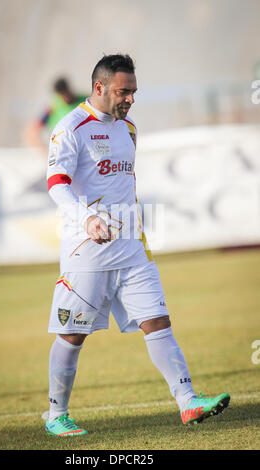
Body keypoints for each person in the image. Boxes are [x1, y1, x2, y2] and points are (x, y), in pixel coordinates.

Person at [45, 54, 230, 437]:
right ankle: (55, 414)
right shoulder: (71, 128)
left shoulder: (128, 128)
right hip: (87, 251)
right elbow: (57, 183)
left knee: (158, 321)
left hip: (132, 247)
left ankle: (188, 401)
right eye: (122, 91)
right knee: (73, 335)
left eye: (133, 91)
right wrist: (88, 219)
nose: (129, 98)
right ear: (99, 88)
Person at [23, 77, 87, 152]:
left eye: (65, 94)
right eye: (61, 95)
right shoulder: (53, 106)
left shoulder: (85, 102)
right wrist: (44, 151)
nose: (64, 97)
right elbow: (33, 129)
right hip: (62, 149)